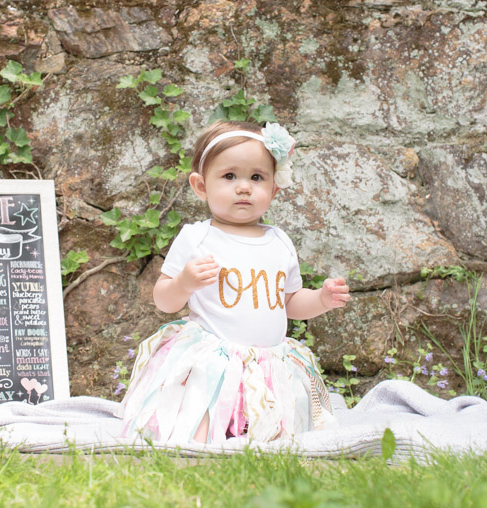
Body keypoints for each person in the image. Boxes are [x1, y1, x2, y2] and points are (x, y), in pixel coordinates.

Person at [119, 120, 350, 444]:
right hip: (213, 363)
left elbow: (290, 303)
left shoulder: (279, 241)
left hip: (268, 365)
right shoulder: (197, 237)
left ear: (274, 188)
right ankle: (199, 442)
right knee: (200, 427)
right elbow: (164, 300)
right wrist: (184, 283)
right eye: (229, 176)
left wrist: (321, 300)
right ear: (201, 186)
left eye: (256, 177)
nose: (244, 187)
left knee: (275, 434)